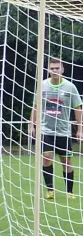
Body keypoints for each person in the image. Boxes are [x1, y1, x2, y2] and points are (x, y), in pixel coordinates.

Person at [29, 58, 83, 200]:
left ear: (62, 70)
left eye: (57, 68)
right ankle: (50, 190)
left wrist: (79, 129)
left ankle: (70, 192)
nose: (54, 71)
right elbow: (35, 106)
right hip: (46, 130)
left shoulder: (70, 87)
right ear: (48, 70)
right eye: (52, 68)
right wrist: (32, 124)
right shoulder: (42, 86)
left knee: (66, 161)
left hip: (63, 131)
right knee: (47, 158)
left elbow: (78, 107)